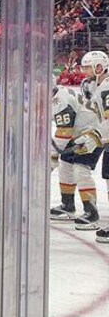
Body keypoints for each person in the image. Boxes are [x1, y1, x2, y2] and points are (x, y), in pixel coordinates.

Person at [50, 85, 101, 228]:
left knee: (80, 169)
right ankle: (68, 206)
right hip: (77, 133)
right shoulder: (57, 93)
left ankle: (92, 213)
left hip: (92, 132)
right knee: (65, 167)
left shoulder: (60, 100)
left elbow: (64, 131)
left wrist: (51, 158)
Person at [78, 51, 109, 242]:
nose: (85, 71)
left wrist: (95, 136)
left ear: (100, 67)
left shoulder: (107, 88)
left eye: (89, 67)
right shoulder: (96, 87)